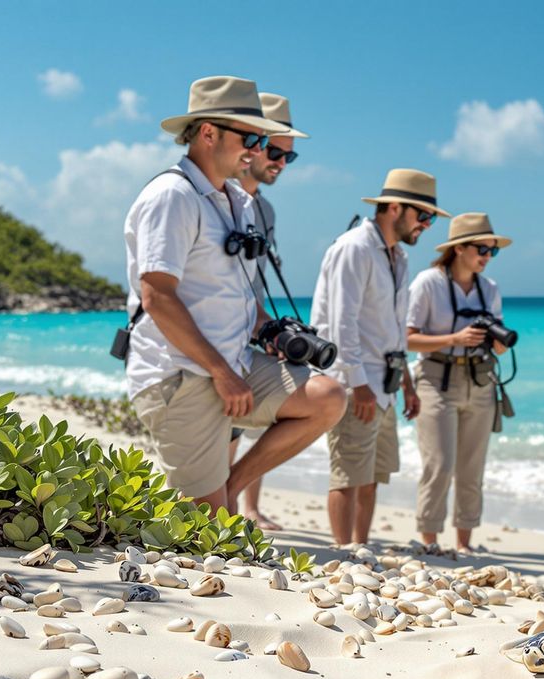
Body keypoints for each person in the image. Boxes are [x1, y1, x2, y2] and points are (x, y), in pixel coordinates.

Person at [123, 76, 346, 512]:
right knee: (205, 529)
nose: (257, 149)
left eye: (261, 139)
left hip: (234, 366)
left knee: (328, 398)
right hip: (180, 375)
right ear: (208, 133)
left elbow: (241, 298)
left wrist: (273, 333)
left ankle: (232, 486)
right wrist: (221, 372)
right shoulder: (171, 196)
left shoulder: (239, 204)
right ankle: (215, 500)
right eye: (251, 136)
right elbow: (157, 296)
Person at [310, 169, 448, 546]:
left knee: (371, 474)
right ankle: (343, 551)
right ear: (393, 208)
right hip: (355, 381)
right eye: (423, 216)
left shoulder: (397, 256)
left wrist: (405, 380)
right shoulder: (354, 248)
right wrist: (360, 384)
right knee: (348, 473)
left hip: (383, 381)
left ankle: (360, 547)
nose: (427, 225)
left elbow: (393, 326)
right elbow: (341, 323)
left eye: (431, 218)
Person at [406, 212, 512, 553]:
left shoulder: (489, 288)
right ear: (459, 249)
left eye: (492, 251)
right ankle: (430, 540)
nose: (486, 257)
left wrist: (494, 341)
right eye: (482, 249)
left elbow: (496, 338)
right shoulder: (428, 282)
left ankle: (465, 542)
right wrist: (456, 338)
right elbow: (406, 338)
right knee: (439, 463)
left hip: (480, 379)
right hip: (435, 377)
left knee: (472, 466)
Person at [229, 91, 309, 530]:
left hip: (251, 327)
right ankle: (226, 503)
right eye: (274, 150)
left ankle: (246, 505)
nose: (278, 161)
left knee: (262, 419)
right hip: (219, 336)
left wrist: (271, 331)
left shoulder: (265, 209)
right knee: (228, 429)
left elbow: (255, 281)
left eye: (288, 157)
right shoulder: (214, 196)